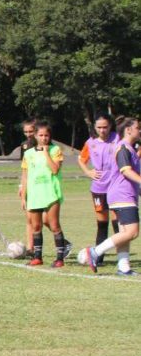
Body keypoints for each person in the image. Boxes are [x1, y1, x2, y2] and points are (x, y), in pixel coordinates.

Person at [80, 117, 141, 275]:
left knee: (123, 233)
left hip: (123, 195)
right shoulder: (123, 148)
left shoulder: (128, 148)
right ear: (128, 130)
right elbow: (126, 171)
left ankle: (123, 267)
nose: (139, 131)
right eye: (138, 128)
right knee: (132, 232)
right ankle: (94, 252)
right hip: (123, 195)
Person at [20, 121, 71, 267]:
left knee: (54, 225)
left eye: (46, 135)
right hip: (35, 194)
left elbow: (55, 170)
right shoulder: (28, 154)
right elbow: (25, 176)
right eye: (40, 135)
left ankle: (60, 258)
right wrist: (24, 196)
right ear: (35, 135)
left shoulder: (55, 150)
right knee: (36, 227)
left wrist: (45, 152)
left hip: (50, 193)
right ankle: (37, 257)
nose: (43, 138)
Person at [77, 114, 121, 266]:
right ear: (94, 128)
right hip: (98, 189)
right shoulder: (91, 143)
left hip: (116, 187)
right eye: (99, 127)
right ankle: (98, 257)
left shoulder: (118, 139)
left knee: (118, 223)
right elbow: (81, 159)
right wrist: (88, 172)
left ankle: (122, 258)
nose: (102, 130)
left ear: (110, 126)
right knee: (102, 224)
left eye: (105, 127)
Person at [18, 119, 38, 256]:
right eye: (26, 132)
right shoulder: (24, 146)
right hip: (28, 184)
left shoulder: (43, 144)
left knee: (46, 220)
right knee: (29, 218)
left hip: (41, 185)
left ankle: (62, 243)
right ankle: (30, 248)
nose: (28, 134)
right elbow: (24, 169)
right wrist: (21, 185)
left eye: (31, 131)